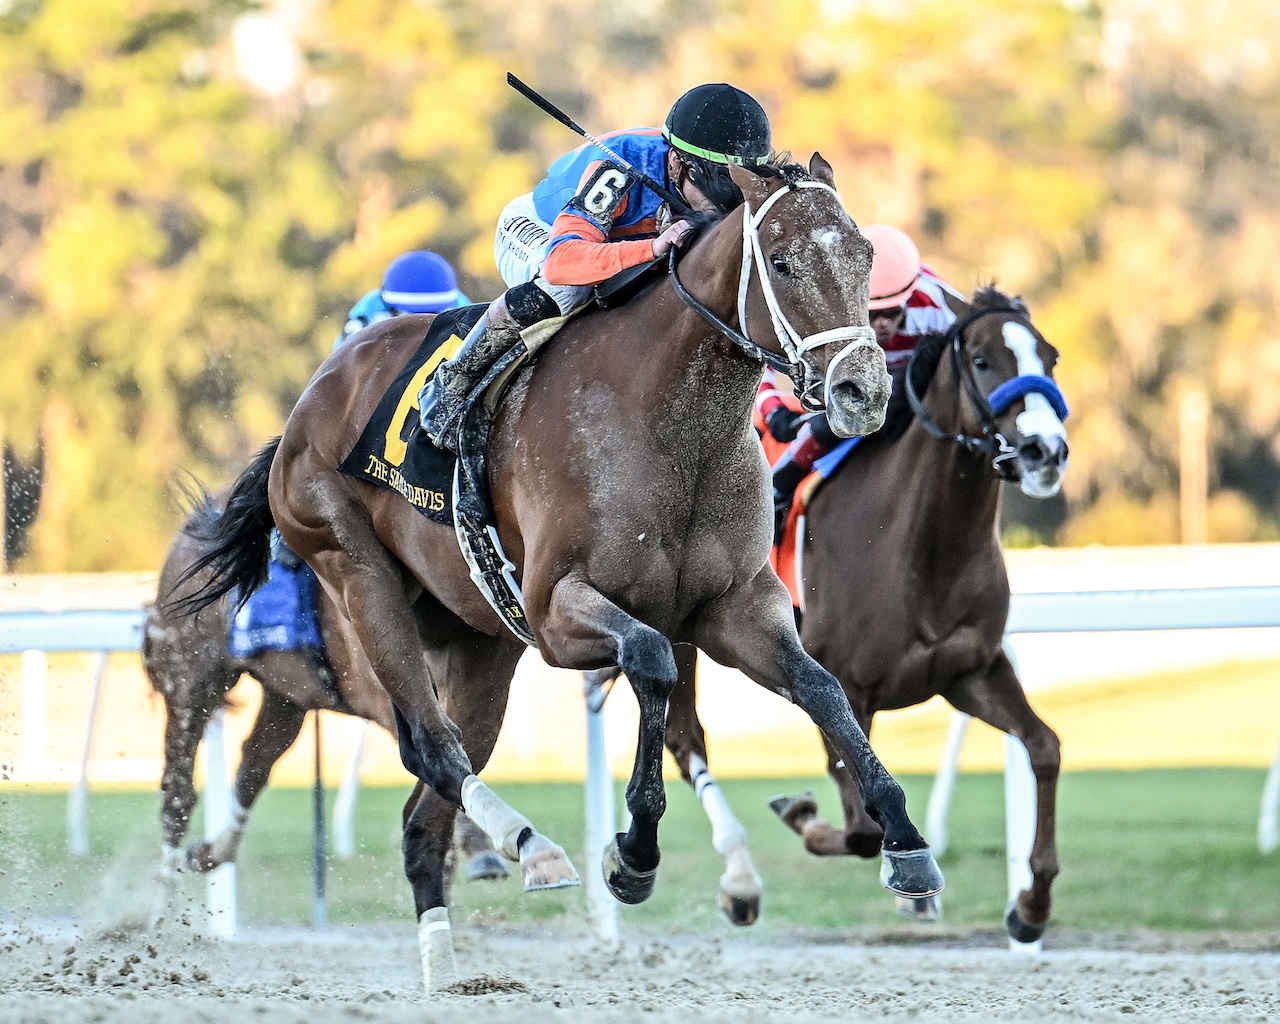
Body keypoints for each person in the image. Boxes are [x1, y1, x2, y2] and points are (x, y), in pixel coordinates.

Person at [417, 83, 774, 450]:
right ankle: (453, 384)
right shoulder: (621, 166)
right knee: (570, 289)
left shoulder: (720, 179)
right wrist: (651, 248)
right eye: (714, 185)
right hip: (542, 231)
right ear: (676, 163)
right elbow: (561, 262)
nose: (721, 206)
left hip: (618, 239)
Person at [761, 224, 965, 539]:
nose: (883, 325)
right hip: (851, 393)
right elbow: (763, 356)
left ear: (911, 295)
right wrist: (773, 409)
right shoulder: (825, 303)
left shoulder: (938, 305)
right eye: (871, 314)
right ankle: (777, 488)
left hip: (916, 390)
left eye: (894, 312)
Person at [335, 249, 470, 347]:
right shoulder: (369, 313)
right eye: (410, 315)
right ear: (389, 308)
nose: (423, 322)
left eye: (434, 314)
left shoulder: (463, 309)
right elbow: (341, 360)